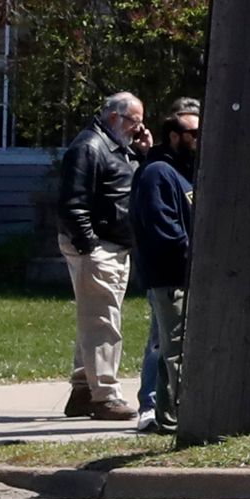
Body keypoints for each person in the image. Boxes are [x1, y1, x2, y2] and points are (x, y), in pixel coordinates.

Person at [48, 91, 144, 419]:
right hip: (96, 246)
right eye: (134, 121)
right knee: (103, 321)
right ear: (115, 117)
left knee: (93, 318)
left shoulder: (119, 148)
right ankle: (105, 395)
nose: (138, 128)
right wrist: (90, 246)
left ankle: (82, 390)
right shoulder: (89, 147)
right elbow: (72, 202)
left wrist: (142, 152)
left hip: (114, 245)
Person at [128, 103, 195, 432]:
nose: (200, 139)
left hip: (188, 275)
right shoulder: (157, 173)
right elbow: (163, 229)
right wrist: (193, 257)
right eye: (193, 133)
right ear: (174, 136)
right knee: (175, 348)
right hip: (170, 276)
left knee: (177, 346)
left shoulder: (185, 171)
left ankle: (168, 416)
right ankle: (175, 417)